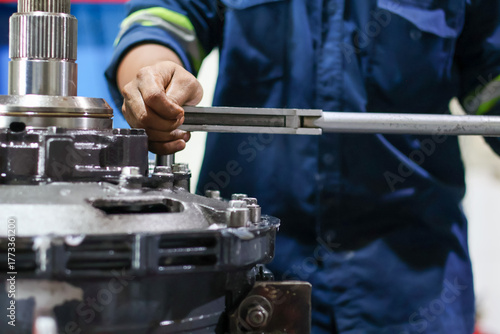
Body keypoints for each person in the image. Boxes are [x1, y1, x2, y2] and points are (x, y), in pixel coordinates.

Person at [106, 1, 500, 332]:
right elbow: (163, 18)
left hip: (411, 291)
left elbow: (491, 78)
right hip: (248, 280)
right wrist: (155, 79)